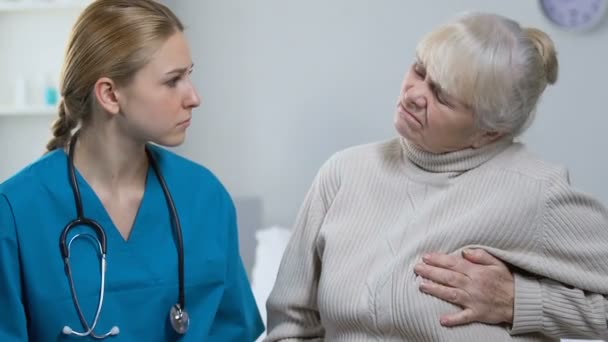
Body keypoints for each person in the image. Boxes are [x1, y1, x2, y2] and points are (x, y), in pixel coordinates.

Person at [264, 12, 608, 341]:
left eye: (442, 96)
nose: (413, 95)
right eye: (418, 70)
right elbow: (290, 324)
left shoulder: (535, 192)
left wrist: (521, 302)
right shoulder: (343, 172)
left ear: (490, 131)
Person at [0, 0, 264, 340]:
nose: (194, 97)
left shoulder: (204, 198)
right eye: (173, 81)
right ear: (110, 95)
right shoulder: (16, 212)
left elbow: (233, 331)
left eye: (189, 75)